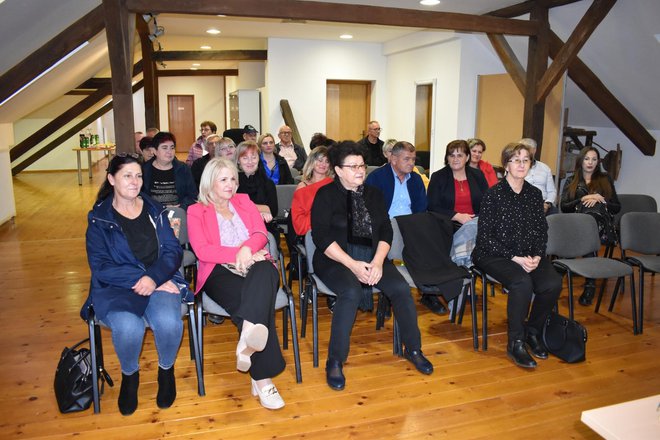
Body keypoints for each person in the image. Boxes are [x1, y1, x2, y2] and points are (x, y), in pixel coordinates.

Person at [311, 141, 433, 391]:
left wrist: (378, 262)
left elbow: (386, 231)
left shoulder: (374, 194)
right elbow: (321, 238)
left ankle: (413, 348)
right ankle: (335, 360)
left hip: (372, 257)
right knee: (351, 292)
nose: (359, 170)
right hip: (335, 259)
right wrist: (353, 265)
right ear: (338, 169)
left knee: (400, 289)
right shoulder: (325, 195)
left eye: (362, 165)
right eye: (353, 166)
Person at [82, 154, 191, 415]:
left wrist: (153, 278)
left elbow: (172, 251)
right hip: (117, 287)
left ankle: (166, 371)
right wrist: (139, 279)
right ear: (111, 179)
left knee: (168, 322)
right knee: (129, 328)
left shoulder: (155, 210)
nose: (135, 181)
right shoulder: (99, 218)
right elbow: (101, 266)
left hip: (159, 279)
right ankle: (130, 377)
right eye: (127, 176)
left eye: (139, 175)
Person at [187, 158, 286, 410]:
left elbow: (260, 234)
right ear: (209, 182)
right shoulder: (196, 210)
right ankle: (263, 379)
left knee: (265, 272)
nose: (230, 185)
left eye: (233, 179)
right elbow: (202, 250)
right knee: (256, 305)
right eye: (223, 179)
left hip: (256, 265)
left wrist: (247, 250)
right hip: (218, 272)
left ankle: (246, 341)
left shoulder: (244, 201)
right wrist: (238, 254)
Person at [472, 142, 562, 369]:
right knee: (522, 283)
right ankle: (516, 342)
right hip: (492, 253)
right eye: (516, 159)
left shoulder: (534, 194)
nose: (521, 164)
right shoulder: (493, 195)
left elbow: (542, 230)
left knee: (552, 283)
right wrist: (515, 258)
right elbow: (485, 237)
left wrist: (538, 256)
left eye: (525, 160)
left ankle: (532, 331)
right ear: (506, 165)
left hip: (528, 254)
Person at [560, 146, 621, 306]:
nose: (590, 162)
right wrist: (584, 199)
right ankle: (589, 286)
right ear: (581, 161)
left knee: (590, 225)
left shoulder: (605, 179)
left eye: (594, 159)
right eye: (587, 159)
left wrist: (600, 199)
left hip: (598, 228)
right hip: (575, 225)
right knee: (587, 231)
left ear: (598, 162)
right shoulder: (571, 180)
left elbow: (616, 207)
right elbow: (564, 207)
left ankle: (560, 274)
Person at [428, 139, 489, 229]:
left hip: (475, 224)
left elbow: (487, 201)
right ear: (447, 158)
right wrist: (457, 216)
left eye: (460, 155)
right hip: (447, 225)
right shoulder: (438, 177)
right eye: (451, 155)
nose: (455, 159)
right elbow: (432, 206)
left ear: (467, 157)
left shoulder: (478, 175)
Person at [365, 141, 427, 218]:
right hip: (386, 224)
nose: (411, 163)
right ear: (394, 159)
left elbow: (421, 209)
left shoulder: (416, 179)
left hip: (411, 224)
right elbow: (370, 210)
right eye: (406, 159)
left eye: (413, 159)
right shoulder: (376, 178)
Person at [141, 131, 198, 210]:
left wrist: (180, 207)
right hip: (153, 213)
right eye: (164, 148)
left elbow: (193, 195)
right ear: (154, 151)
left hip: (179, 213)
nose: (169, 151)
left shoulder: (183, 169)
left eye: (172, 147)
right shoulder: (144, 170)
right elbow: (141, 197)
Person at [235, 141, 278, 227]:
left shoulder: (268, 183)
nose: (250, 162)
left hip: (264, 226)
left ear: (259, 159)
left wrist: (242, 206)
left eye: (254, 157)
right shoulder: (233, 183)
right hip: (238, 227)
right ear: (238, 161)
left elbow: (272, 211)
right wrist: (261, 208)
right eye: (245, 158)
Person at [519, 138, 558, 215]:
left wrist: (547, 203)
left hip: (544, 203)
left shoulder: (545, 168)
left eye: (528, 149)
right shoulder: (515, 167)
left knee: (555, 215)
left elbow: (552, 191)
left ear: (534, 150)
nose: (525, 153)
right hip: (523, 202)